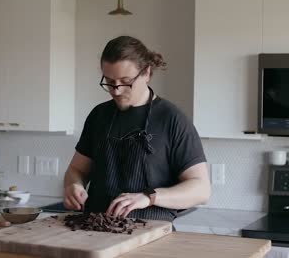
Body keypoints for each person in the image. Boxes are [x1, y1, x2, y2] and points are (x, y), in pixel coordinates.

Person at [63, 36, 210, 222]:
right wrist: (73, 185)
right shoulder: (98, 116)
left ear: (146, 73)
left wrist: (149, 197)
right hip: (96, 234)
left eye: (125, 81)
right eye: (109, 81)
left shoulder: (173, 120)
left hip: (151, 238)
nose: (116, 90)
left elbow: (201, 189)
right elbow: (77, 169)